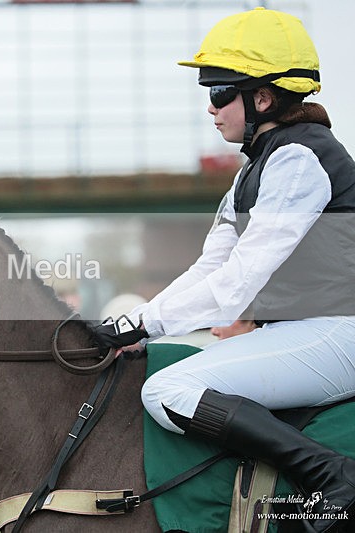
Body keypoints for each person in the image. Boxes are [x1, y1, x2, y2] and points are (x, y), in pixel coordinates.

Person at [95, 8, 355, 532]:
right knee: (167, 362)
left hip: (338, 334)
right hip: (308, 330)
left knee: (167, 390)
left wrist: (142, 324)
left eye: (219, 92)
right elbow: (208, 268)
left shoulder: (298, 160)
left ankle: (333, 478)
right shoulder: (254, 169)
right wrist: (138, 323)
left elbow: (239, 281)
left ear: (263, 98)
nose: (210, 108)